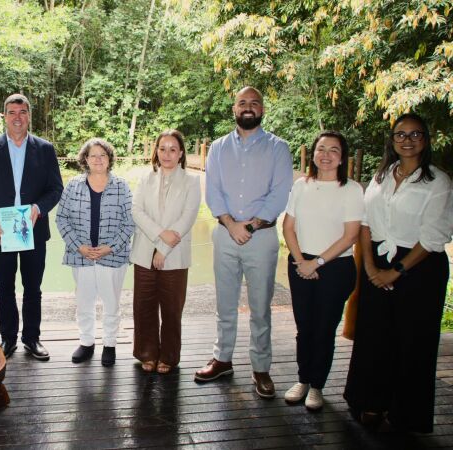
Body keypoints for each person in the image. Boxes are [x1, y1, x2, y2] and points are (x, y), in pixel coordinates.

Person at [344, 113, 453, 432]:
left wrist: (395, 272)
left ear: (426, 139)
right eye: (400, 135)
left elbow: (434, 235)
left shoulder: (438, 181)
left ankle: (406, 411)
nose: (407, 140)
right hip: (375, 258)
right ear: (392, 140)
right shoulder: (381, 176)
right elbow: (365, 222)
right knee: (374, 335)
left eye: (415, 134)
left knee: (414, 341)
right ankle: (369, 401)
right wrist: (369, 268)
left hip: (420, 265)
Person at [196, 86, 293, 398]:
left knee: (260, 308)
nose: (248, 107)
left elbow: (279, 195)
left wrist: (248, 226)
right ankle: (222, 359)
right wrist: (230, 224)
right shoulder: (219, 148)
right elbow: (213, 192)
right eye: (242, 102)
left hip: (261, 239)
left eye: (254, 102)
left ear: (262, 110)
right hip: (224, 235)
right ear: (234, 109)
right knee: (225, 304)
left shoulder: (279, 148)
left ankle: (261, 367)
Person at [0, 93, 63, 360]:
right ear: (4, 116)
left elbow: (55, 188)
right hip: (1, 231)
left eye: (22, 112)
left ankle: (32, 339)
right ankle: (7, 339)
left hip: (33, 229)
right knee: (5, 287)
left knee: (33, 288)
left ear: (29, 116)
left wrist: (38, 208)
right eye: (12, 112)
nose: (17, 117)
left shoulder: (45, 149)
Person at [282, 131, 363, 410]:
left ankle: (317, 385)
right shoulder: (301, 186)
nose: (326, 155)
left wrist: (316, 263)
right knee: (304, 328)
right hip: (300, 262)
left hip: (335, 267)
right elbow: (288, 227)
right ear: (313, 153)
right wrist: (301, 261)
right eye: (321, 149)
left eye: (334, 150)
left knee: (324, 328)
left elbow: (350, 235)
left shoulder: (351, 189)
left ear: (342, 157)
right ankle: (303, 379)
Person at [55, 138, 134, 367]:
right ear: (85, 160)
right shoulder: (73, 186)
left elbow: (130, 222)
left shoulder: (122, 186)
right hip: (81, 255)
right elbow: (62, 218)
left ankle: (109, 344)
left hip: (113, 256)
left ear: (109, 159)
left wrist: (111, 247)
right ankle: (86, 342)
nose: (98, 159)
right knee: (84, 301)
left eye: (103, 155)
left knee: (112, 302)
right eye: (93, 155)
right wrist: (78, 246)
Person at [129, 130, 201, 374]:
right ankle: (147, 353)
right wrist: (160, 235)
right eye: (162, 148)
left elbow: (187, 217)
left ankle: (169, 356)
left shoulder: (192, 182)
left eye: (173, 149)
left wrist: (164, 249)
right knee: (144, 306)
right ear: (156, 152)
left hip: (175, 255)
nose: (167, 154)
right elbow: (137, 211)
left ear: (181, 153)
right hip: (144, 252)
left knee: (171, 309)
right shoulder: (145, 178)